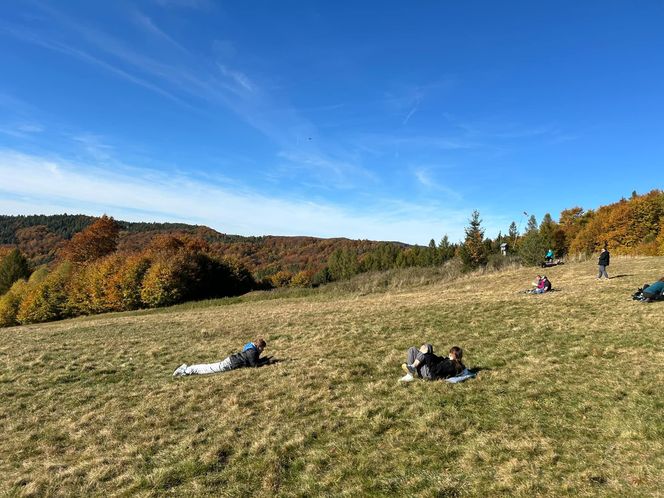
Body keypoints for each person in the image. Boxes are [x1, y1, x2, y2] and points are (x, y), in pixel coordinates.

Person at [173, 338, 269, 377]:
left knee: (209, 367)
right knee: (208, 369)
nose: (262, 350)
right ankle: (184, 371)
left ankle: (187, 368)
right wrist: (266, 362)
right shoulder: (252, 352)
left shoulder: (251, 347)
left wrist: (264, 359)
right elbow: (254, 365)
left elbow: (253, 361)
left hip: (231, 360)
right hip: (230, 364)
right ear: (258, 346)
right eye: (262, 348)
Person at [400, 344, 465, 382]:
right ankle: (410, 374)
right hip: (429, 370)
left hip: (429, 374)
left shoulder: (451, 364)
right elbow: (438, 360)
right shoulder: (449, 361)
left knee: (428, 347)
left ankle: (412, 367)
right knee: (413, 349)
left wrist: (427, 355)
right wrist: (430, 355)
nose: (450, 354)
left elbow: (434, 369)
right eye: (450, 352)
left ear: (456, 357)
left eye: (452, 353)